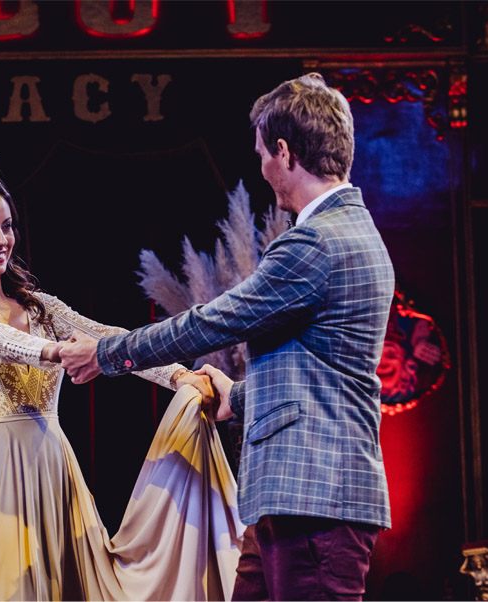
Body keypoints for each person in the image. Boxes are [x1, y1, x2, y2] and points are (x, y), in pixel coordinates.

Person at [60, 73, 395, 600]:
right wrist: (236, 398)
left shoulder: (316, 242)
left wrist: (107, 354)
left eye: (262, 153)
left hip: (313, 499)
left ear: (283, 152)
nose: (262, 169)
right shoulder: (348, 232)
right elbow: (321, 378)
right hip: (293, 501)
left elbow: (210, 321)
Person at [0, 145, 244, 601]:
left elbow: (112, 340)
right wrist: (60, 352)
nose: (1, 239)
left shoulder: (41, 306)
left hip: (56, 470)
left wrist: (180, 375)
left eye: (7, 226)